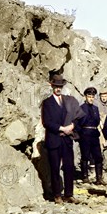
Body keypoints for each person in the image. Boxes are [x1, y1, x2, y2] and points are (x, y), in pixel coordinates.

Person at [41, 74, 84, 204]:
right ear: (52, 86)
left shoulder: (68, 101)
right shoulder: (47, 103)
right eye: (56, 86)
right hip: (54, 140)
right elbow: (46, 122)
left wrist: (72, 126)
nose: (58, 89)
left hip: (67, 140)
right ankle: (57, 195)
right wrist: (61, 128)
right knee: (54, 168)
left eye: (60, 86)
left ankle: (69, 194)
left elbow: (77, 117)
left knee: (69, 166)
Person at [75, 87, 107, 185]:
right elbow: (77, 123)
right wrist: (80, 134)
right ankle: (85, 177)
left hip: (94, 134)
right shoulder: (81, 108)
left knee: (98, 156)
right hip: (84, 134)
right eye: (89, 96)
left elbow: (97, 121)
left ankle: (99, 178)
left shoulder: (95, 109)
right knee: (85, 156)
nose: (91, 99)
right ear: (86, 97)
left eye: (92, 97)